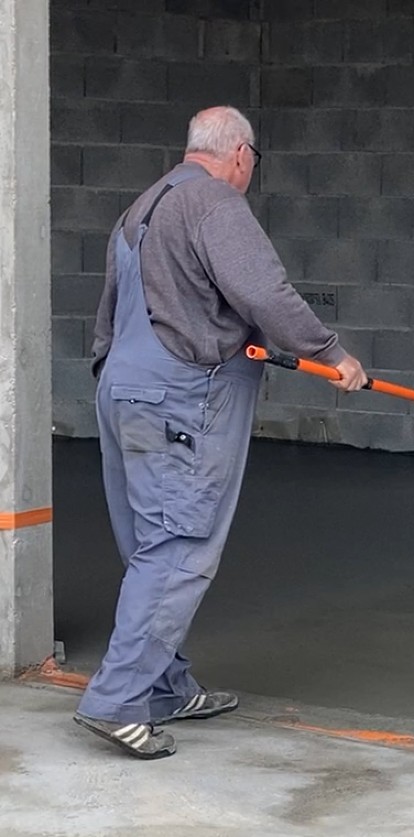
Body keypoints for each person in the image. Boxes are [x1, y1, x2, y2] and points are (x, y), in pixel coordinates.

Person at [75, 105, 368, 760]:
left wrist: (123, 384)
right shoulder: (214, 205)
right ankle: (117, 697)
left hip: (126, 395)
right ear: (240, 154)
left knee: (151, 545)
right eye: (252, 163)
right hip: (181, 401)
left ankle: (164, 685)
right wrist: (331, 354)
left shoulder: (140, 209)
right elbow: (265, 291)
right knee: (180, 544)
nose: (249, 173)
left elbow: (108, 318)